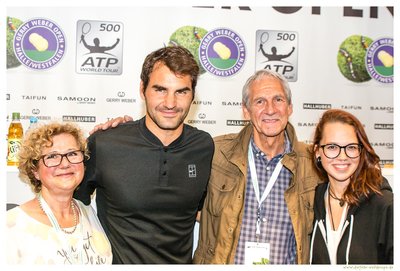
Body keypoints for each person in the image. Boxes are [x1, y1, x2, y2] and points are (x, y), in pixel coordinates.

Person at [100, 69, 321, 264]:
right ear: (245, 110)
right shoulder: (215, 152)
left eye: (278, 100)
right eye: (260, 101)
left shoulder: (313, 163)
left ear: (290, 107)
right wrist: (122, 132)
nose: (270, 109)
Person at [73, 46, 214, 264]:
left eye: (181, 91)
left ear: (193, 95)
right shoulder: (105, 143)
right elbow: (68, 207)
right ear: (142, 89)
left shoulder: (204, 146)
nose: (170, 103)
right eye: (160, 90)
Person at [6, 122, 112, 264]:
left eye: (72, 153)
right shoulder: (11, 226)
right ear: (35, 171)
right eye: (52, 156)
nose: (65, 164)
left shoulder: (88, 213)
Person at [309, 109, 393, 264]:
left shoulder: (384, 204)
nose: (342, 156)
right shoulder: (313, 201)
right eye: (332, 147)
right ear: (317, 152)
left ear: (361, 151)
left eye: (351, 147)